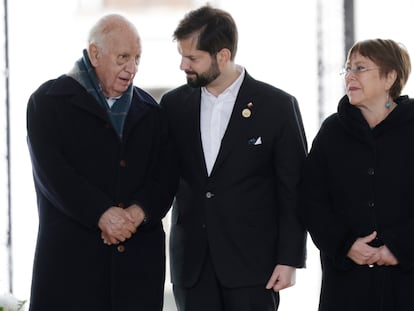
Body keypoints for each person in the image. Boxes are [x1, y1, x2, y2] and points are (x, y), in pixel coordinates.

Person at [160, 5, 308, 311]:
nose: (182, 65)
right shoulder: (172, 105)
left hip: (254, 267)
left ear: (223, 56)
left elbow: (294, 189)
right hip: (192, 268)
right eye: (182, 55)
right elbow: (160, 177)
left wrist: (290, 259)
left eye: (192, 58)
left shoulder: (277, 106)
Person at [26, 14, 174, 311]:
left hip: (136, 270)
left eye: (137, 59)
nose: (131, 68)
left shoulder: (151, 111)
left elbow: (166, 177)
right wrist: (102, 214)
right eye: (123, 57)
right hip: (71, 268)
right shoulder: (48, 102)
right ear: (95, 53)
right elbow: (54, 175)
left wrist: (137, 213)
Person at [300, 38, 414, 311]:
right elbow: (310, 201)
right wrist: (345, 245)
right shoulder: (332, 132)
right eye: (348, 68)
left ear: (390, 77)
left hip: (407, 283)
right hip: (346, 285)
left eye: (360, 68)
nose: (350, 76)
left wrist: (399, 248)